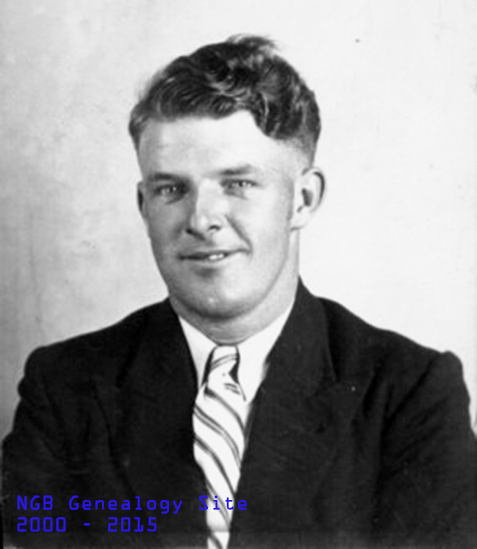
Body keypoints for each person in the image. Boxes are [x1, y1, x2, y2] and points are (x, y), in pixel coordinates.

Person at [2, 35, 476, 549]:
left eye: (238, 184)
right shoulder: (65, 387)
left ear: (303, 199)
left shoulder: (409, 394)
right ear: (143, 206)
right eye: (170, 189)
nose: (201, 219)